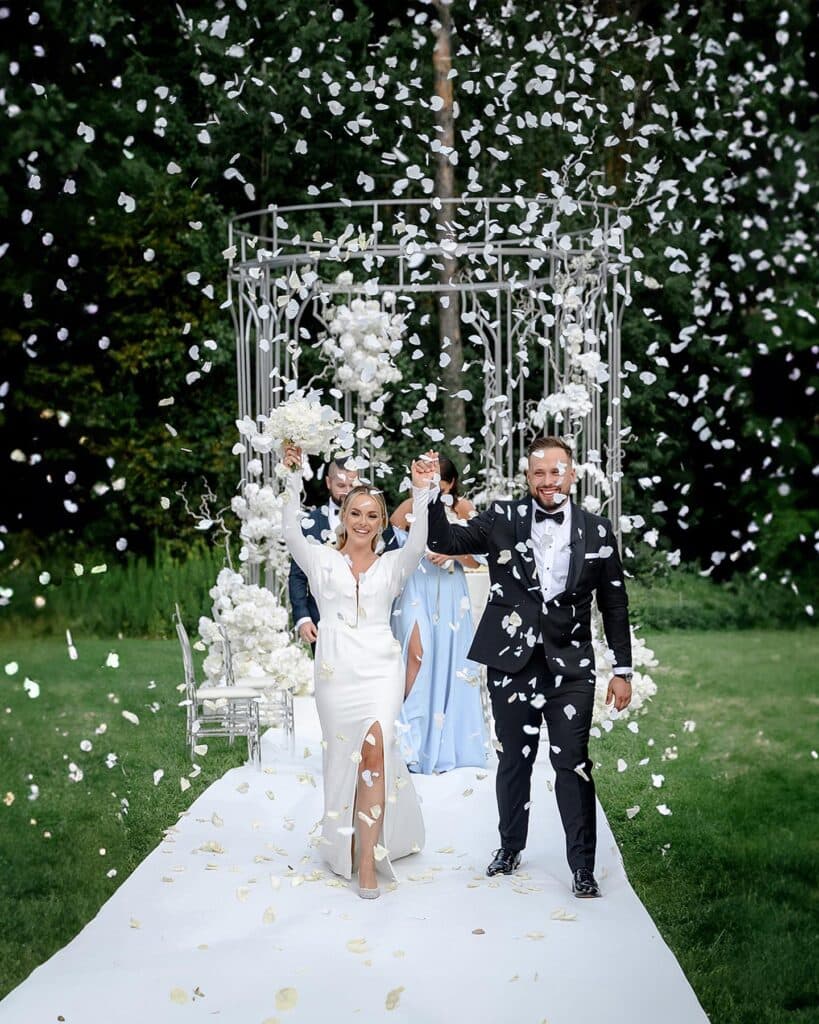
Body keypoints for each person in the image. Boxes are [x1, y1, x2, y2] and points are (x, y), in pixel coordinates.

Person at [425, 437, 633, 898]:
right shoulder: (502, 517)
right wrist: (431, 495)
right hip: (511, 662)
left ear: (572, 474)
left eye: (556, 471)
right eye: (539, 473)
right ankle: (510, 847)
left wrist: (622, 669)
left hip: (571, 666)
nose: (548, 480)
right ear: (527, 477)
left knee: (572, 763)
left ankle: (582, 867)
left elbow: (614, 603)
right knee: (513, 759)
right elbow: (443, 541)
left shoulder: (598, 531)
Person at [281, 445, 437, 899]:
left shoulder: (393, 566)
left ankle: (367, 859)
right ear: (343, 516)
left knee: (375, 752)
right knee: (341, 758)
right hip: (335, 672)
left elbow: (418, 543)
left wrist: (421, 491)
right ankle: (343, 841)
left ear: (382, 521)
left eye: (372, 515)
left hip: (380, 669)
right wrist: (292, 475)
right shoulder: (319, 559)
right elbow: (289, 530)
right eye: (356, 513)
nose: (363, 522)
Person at [390, 456, 488, 773]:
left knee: (450, 659)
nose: (435, 488)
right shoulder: (408, 507)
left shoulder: (464, 509)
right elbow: (392, 547)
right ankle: (405, 739)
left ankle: (446, 743)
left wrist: (453, 552)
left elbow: (478, 559)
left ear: (450, 484)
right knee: (416, 654)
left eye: (439, 484)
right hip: (416, 588)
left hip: (450, 592)